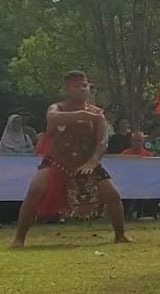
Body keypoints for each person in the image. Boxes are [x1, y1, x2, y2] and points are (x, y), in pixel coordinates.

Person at [11, 71, 131, 247]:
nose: (83, 89)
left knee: (112, 195)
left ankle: (120, 235)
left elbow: (102, 141)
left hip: (87, 162)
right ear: (67, 89)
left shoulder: (97, 114)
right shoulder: (57, 108)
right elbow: (52, 119)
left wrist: (93, 161)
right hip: (57, 161)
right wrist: (81, 115)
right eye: (78, 86)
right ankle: (19, 238)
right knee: (35, 190)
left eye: (85, 85)